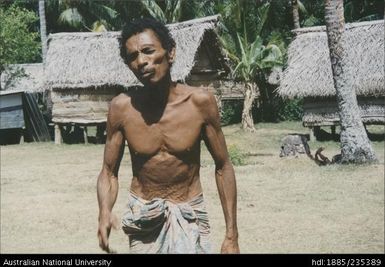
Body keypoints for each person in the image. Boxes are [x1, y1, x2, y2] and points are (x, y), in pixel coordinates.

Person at [97, 18, 239, 254]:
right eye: (132, 57)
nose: (141, 61)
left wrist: (232, 236)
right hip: (144, 215)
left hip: (189, 212)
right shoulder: (121, 108)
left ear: (170, 53)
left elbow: (223, 166)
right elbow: (108, 173)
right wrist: (104, 211)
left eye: (148, 51)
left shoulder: (200, 103)